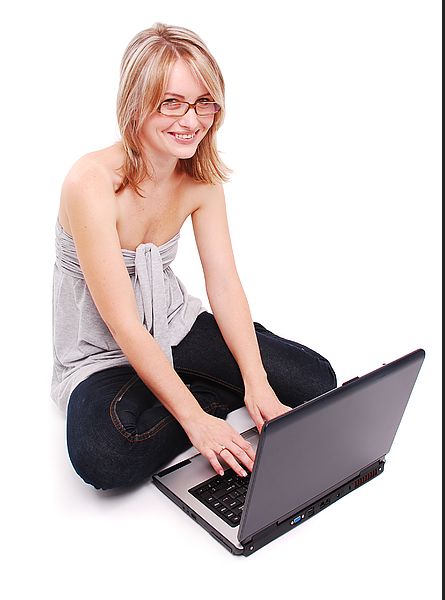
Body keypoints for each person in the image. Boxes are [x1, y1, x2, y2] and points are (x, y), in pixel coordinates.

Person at [52, 22, 337, 491]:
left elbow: (223, 282)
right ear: (135, 104)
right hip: (103, 354)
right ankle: (201, 396)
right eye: (172, 102)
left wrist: (257, 381)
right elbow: (123, 325)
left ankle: (198, 385)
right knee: (104, 456)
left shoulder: (200, 180)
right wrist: (197, 421)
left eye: (204, 103)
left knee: (315, 383)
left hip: (174, 325)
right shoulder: (91, 183)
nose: (192, 120)